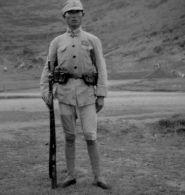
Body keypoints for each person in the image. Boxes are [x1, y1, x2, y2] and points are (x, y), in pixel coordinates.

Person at [40, 0, 111, 190]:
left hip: (87, 94)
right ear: (64, 16)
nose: (73, 15)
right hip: (64, 95)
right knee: (69, 136)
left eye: (77, 12)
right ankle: (71, 176)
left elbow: (101, 68)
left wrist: (101, 94)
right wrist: (45, 92)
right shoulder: (57, 42)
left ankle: (98, 176)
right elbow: (48, 68)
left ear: (82, 15)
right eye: (70, 12)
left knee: (90, 135)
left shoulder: (92, 40)